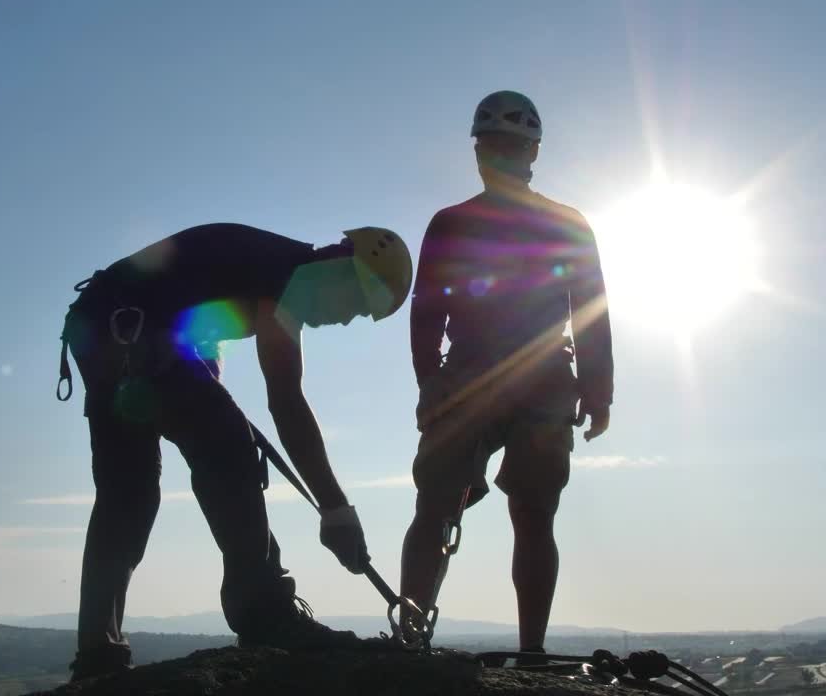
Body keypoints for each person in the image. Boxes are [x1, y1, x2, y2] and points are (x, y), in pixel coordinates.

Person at [55, 222, 413, 680]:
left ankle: (97, 653)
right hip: (126, 327)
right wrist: (336, 509)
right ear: (340, 263)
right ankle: (264, 612)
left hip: (102, 325)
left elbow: (197, 311)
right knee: (228, 450)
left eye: (365, 312)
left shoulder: (273, 268)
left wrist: (208, 383)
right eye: (360, 300)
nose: (349, 317)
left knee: (129, 492)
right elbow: (286, 402)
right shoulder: (286, 274)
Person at [398, 91, 614, 656]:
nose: (496, 155)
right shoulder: (553, 223)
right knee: (454, 508)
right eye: (490, 145)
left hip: (494, 379)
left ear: (531, 151)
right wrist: (597, 392)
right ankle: (434, 642)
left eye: (507, 146)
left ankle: (513, 651)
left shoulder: (459, 223)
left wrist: (599, 392)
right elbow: (427, 311)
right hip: (520, 380)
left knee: (497, 512)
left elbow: (590, 311)